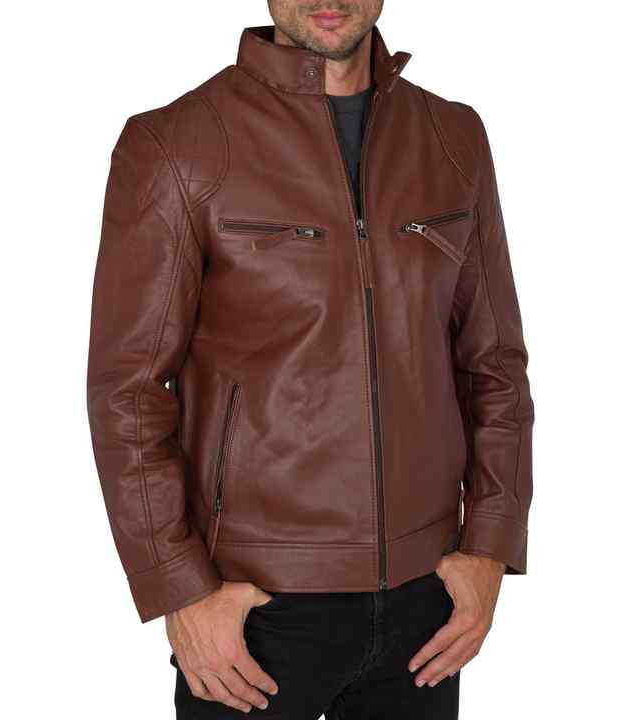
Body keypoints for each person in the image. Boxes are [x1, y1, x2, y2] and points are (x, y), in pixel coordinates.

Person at [86, 1, 534, 717]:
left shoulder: (451, 136)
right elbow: (128, 389)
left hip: (427, 606)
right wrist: (180, 588)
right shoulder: (176, 143)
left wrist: (490, 547)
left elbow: (495, 364)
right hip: (253, 609)